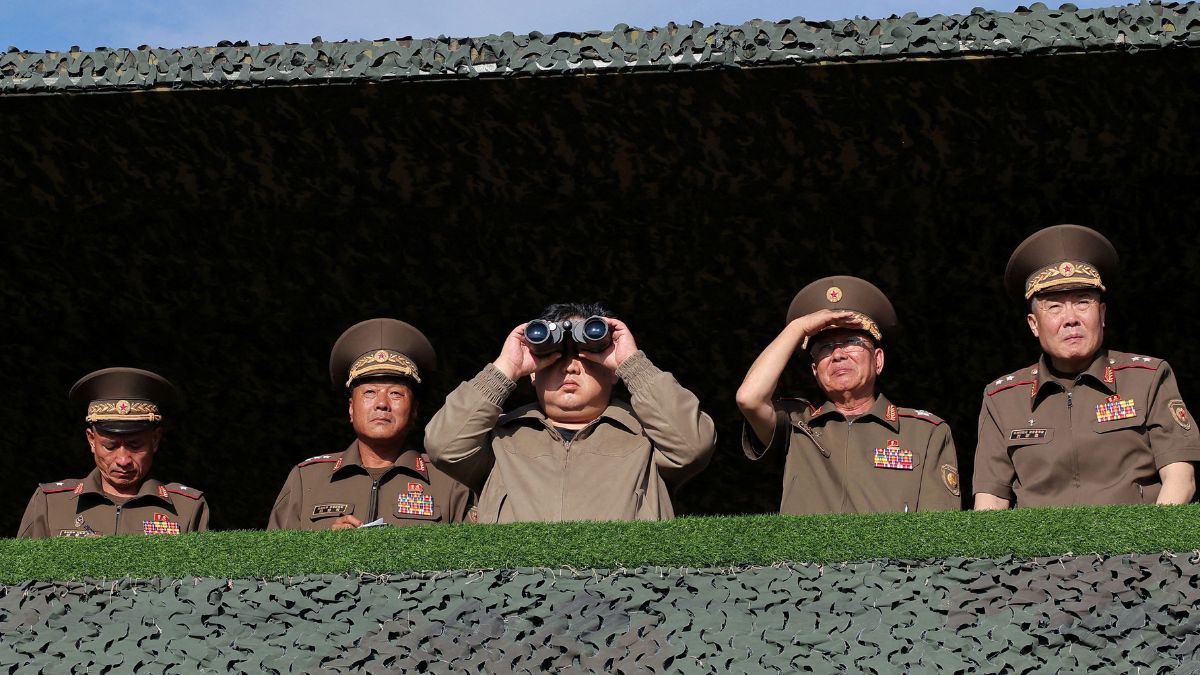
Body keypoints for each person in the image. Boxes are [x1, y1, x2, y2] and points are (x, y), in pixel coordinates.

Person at [424, 302, 715, 522]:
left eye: (586, 355)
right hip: (514, 598)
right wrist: (505, 369)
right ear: (533, 373)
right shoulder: (501, 440)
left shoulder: (646, 439)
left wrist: (632, 363)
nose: (570, 366)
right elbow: (444, 446)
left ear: (613, 371)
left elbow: (692, 445)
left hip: (626, 598)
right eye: (554, 356)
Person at [974, 224, 1199, 509]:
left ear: (1102, 314)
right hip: (1034, 553)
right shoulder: (1002, 398)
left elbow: (1180, 480)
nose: (1070, 319)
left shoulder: (1148, 378)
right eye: (1054, 307)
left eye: (1082, 303)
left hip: (1138, 551)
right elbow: (990, 500)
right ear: (1033, 325)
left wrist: (1147, 547)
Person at [736, 276, 960, 514]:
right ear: (815, 370)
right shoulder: (797, 424)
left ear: (878, 360)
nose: (838, 355)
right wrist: (797, 328)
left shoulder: (925, 431)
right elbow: (749, 398)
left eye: (852, 341)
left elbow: (937, 533)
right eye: (825, 348)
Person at [268, 318, 475, 530]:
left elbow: (476, 559)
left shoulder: (448, 481)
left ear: (414, 410)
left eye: (395, 393)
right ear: (351, 408)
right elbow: (271, 559)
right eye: (370, 393)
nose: (382, 404)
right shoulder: (307, 479)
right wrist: (326, 550)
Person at [17, 367, 209, 538]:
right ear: (91, 440)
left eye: (135, 446)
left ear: (155, 440)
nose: (123, 460)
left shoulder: (187, 509)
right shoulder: (51, 504)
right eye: (110, 446)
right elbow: (20, 576)